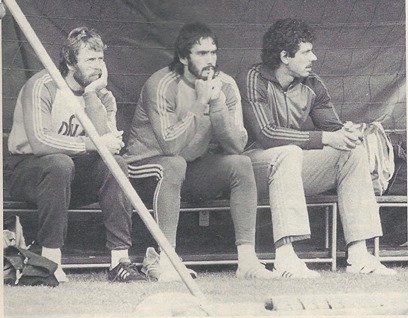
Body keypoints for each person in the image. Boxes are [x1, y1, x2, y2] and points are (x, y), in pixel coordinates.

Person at [236, 18, 396, 277]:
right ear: (285, 56)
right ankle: (286, 257)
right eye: (307, 52)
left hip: (291, 167)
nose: (315, 57)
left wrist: (348, 132)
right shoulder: (252, 78)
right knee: (288, 153)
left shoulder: (312, 83)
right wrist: (324, 138)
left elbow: (332, 129)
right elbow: (266, 134)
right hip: (252, 169)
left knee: (351, 152)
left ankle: (359, 255)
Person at [125, 22, 275, 281]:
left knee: (240, 163)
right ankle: (167, 259)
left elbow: (237, 145)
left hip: (188, 169)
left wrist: (216, 105)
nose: (210, 60)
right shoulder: (161, 83)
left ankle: (247, 261)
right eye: (201, 53)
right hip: (144, 170)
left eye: (213, 52)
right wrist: (200, 101)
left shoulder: (225, 85)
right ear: (184, 57)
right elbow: (170, 146)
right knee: (174, 164)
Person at [7, 27, 143, 283]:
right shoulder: (43, 85)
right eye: (90, 60)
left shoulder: (103, 96)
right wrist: (90, 144)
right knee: (59, 163)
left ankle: (119, 261)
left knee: (115, 164)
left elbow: (109, 143)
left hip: (72, 174)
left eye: (101, 58)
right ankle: (49, 261)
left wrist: (92, 95)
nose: (98, 66)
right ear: (70, 62)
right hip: (28, 171)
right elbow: (39, 141)